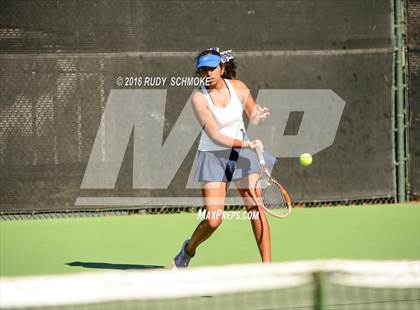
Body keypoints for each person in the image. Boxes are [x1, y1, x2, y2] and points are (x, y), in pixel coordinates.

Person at [172, 48, 276, 268]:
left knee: (255, 208)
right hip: (213, 156)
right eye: (202, 70)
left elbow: (254, 118)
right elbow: (217, 136)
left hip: (241, 154)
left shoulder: (238, 88)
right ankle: (188, 250)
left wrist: (260, 116)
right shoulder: (199, 98)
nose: (207, 73)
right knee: (213, 220)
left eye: (211, 68)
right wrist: (248, 143)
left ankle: (268, 268)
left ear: (221, 68)